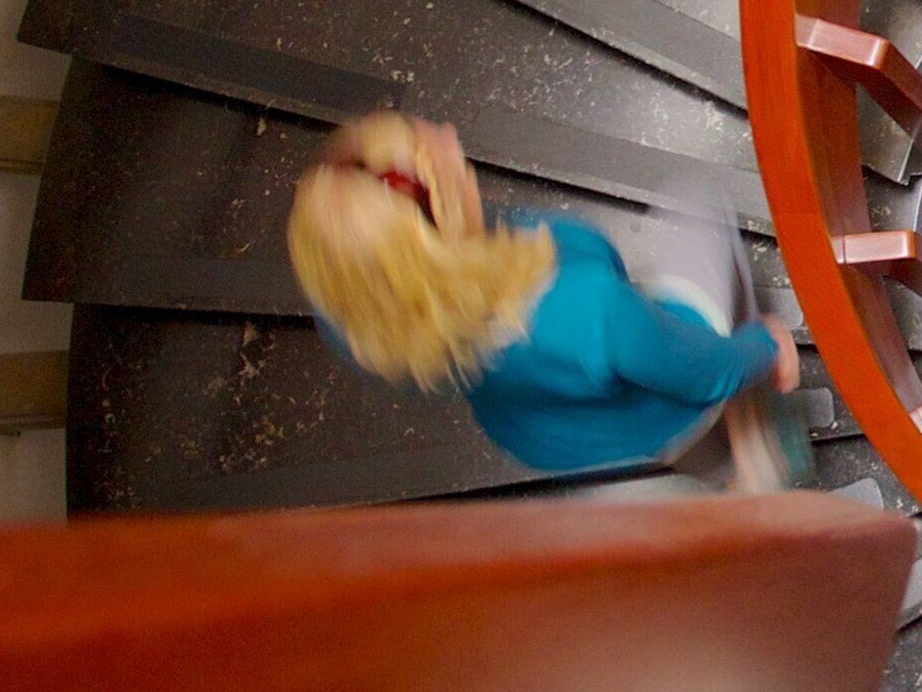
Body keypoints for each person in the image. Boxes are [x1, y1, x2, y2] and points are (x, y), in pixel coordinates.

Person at [285, 111, 800, 482]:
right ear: (439, 233)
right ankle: (760, 440)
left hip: (553, 437)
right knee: (699, 200)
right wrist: (767, 346)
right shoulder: (582, 306)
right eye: (441, 163)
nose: (446, 135)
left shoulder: (358, 319)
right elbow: (705, 371)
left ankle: (723, 458)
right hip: (662, 405)